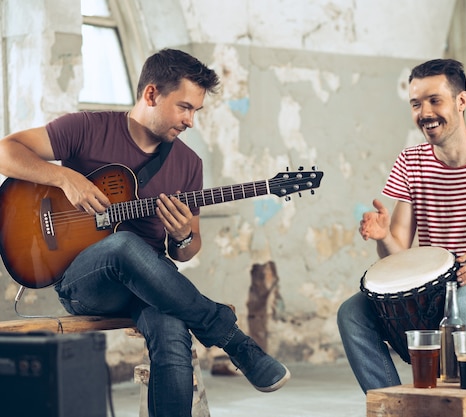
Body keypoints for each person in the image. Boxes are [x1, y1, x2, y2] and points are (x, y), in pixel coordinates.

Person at [0, 48, 290, 416]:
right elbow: (5, 150)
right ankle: (233, 340)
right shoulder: (87, 128)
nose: (191, 122)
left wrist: (184, 235)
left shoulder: (188, 163)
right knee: (123, 244)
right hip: (85, 283)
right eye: (184, 107)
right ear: (151, 94)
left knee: (171, 331)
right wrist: (64, 177)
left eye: (196, 111)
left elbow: (186, 250)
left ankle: (224, 341)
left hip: (152, 285)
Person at [337, 58, 466, 393]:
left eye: (435, 100)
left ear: (461, 101)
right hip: (433, 287)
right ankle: (396, 410)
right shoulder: (411, 161)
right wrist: (384, 237)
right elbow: (398, 256)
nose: (425, 112)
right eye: (416, 104)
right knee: (352, 312)